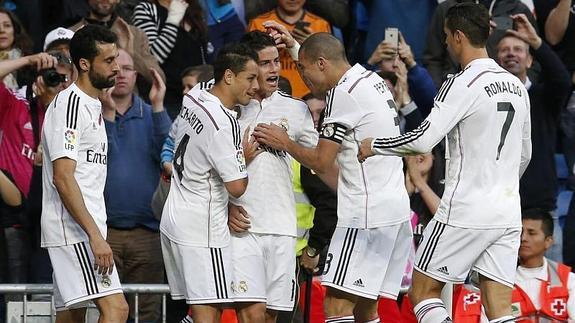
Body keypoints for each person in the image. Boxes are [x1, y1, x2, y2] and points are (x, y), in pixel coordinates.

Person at [358, 3, 532, 322]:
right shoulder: (517, 86)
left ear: (459, 36)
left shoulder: (462, 82)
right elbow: (525, 155)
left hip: (465, 206)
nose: (447, 44)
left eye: (447, 37)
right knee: (498, 306)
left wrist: (375, 145)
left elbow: (424, 139)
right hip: (507, 211)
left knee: (423, 291)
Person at [253, 31, 412, 323]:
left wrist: (285, 142)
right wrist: (296, 47)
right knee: (366, 308)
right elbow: (323, 58)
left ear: (322, 63)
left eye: (305, 69)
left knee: (337, 308)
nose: (305, 80)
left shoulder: (342, 95)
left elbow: (321, 162)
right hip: (394, 210)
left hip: (365, 214)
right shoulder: (371, 79)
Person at [220, 31, 317, 323]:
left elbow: (317, 161)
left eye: (277, 61)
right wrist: (225, 206)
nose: (274, 69)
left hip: (283, 228)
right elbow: (202, 169)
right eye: (265, 63)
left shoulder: (296, 109)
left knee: (272, 316)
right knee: (251, 314)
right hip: (243, 225)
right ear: (248, 68)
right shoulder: (227, 110)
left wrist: (287, 143)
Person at [160, 42, 258, 323]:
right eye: (250, 78)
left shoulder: (194, 97)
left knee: (203, 314)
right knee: (208, 315)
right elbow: (237, 186)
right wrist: (242, 154)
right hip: (201, 228)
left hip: (176, 217)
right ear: (228, 76)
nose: (255, 86)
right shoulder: (223, 124)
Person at [40, 24, 128, 322]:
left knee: (70, 318)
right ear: (84, 64)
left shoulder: (92, 104)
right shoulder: (70, 105)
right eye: (109, 60)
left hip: (81, 226)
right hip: (74, 229)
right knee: (117, 310)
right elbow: (63, 177)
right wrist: (94, 235)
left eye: (117, 59)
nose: (117, 67)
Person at [100, 49, 172, 322]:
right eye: (114, 68)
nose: (120, 74)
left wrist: (158, 106)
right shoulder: (92, 113)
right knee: (105, 313)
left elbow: (170, 156)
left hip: (147, 233)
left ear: (137, 75)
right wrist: (107, 114)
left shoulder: (152, 112)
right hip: (103, 235)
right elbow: (100, 158)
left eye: (127, 68)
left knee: (147, 314)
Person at [495, 14, 571, 263]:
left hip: (541, 210)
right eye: (504, 50)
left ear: (529, 59)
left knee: (553, 289)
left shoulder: (543, 97)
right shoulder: (487, 101)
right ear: (496, 60)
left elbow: (561, 78)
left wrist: (537, 41)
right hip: (499, 209)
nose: (511, 53)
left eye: (518, 49)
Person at [132, 0, 209, 119]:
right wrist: (173, 19)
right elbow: (154, 58)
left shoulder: (193, 9)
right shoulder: (147, 9)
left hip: (197, 100)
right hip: (165, 102)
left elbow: (203, 57)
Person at [70, 0, 165, 91]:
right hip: (85, 102)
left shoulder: (134, 34)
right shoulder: (71, 34)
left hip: (128, 105)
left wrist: (131, 54)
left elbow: (159, 79)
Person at [248, 0, 331, 98]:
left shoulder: (320, 25)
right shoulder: (260, 23)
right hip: (269, 97)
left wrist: (311, 45)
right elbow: (247, 66)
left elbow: (328, 69)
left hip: (311, 98)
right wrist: (267, 49)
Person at [0, 8, 33, 90]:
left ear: (15, 30)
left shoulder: (30, 65)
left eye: (7, 25)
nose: (2, 30)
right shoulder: (29, 60)